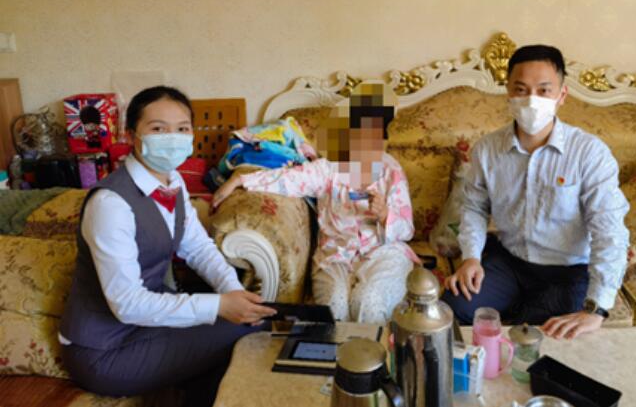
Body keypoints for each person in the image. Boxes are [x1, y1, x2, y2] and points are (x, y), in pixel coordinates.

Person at [59, 86, 276, 407]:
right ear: (131, 136)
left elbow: (198, 248)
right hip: (103, 349)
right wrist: (218, 306)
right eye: (158, 129)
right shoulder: (110, 204)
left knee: (245, 321)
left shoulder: (173, 182)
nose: (172, 138)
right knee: (247, 331)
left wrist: (234, 292)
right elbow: (127, 305)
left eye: (182, 129)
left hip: (145, 325)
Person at [441, 45, 630, 340]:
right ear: (508, 93)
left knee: (535, 336)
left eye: (543, 90)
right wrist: (471, 258)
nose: (532, 100)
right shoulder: (488, 150)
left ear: (562, 95)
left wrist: (596, 309)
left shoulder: (590, 154)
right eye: (521, 89)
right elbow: (475, 207)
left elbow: (610, 232)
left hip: (568, 270)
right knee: (451, 310)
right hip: (509, 261)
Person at [212, 82, 417, 324]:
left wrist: (385, 214)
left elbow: (406, 230)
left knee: (369, 300)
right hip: (335, 256)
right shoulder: (328, 170)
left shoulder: (390, 170)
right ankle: (336, 349)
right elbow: (288, 179)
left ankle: (376, 348)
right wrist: (240, 180)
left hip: (384, 253)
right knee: (335, 307)